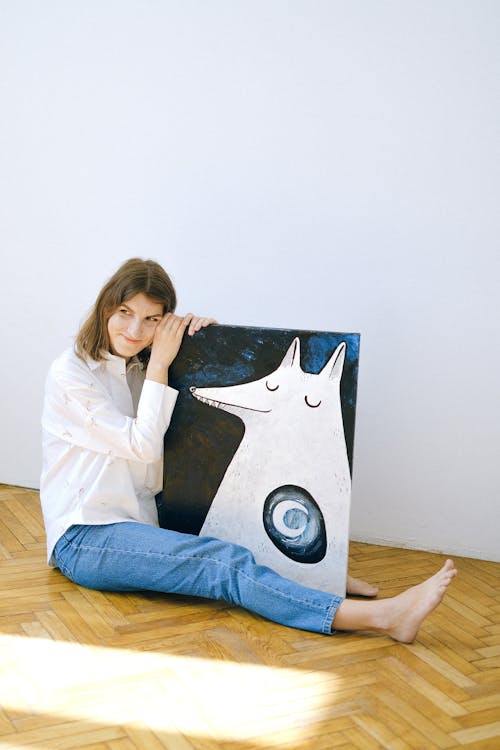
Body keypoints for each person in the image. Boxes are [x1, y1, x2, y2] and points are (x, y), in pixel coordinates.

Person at [40, 258, 457, 641]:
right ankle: (381, 618)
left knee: (245, 535)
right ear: (105, 308)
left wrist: (204, 339)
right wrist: (162, 364)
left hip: (141, 523)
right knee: (222, 563)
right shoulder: (71, 375)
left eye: (152, 320)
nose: (134, 331)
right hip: (84, 537)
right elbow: (143, 445)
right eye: (125, 313)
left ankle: (315, 581)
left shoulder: (136, 365)